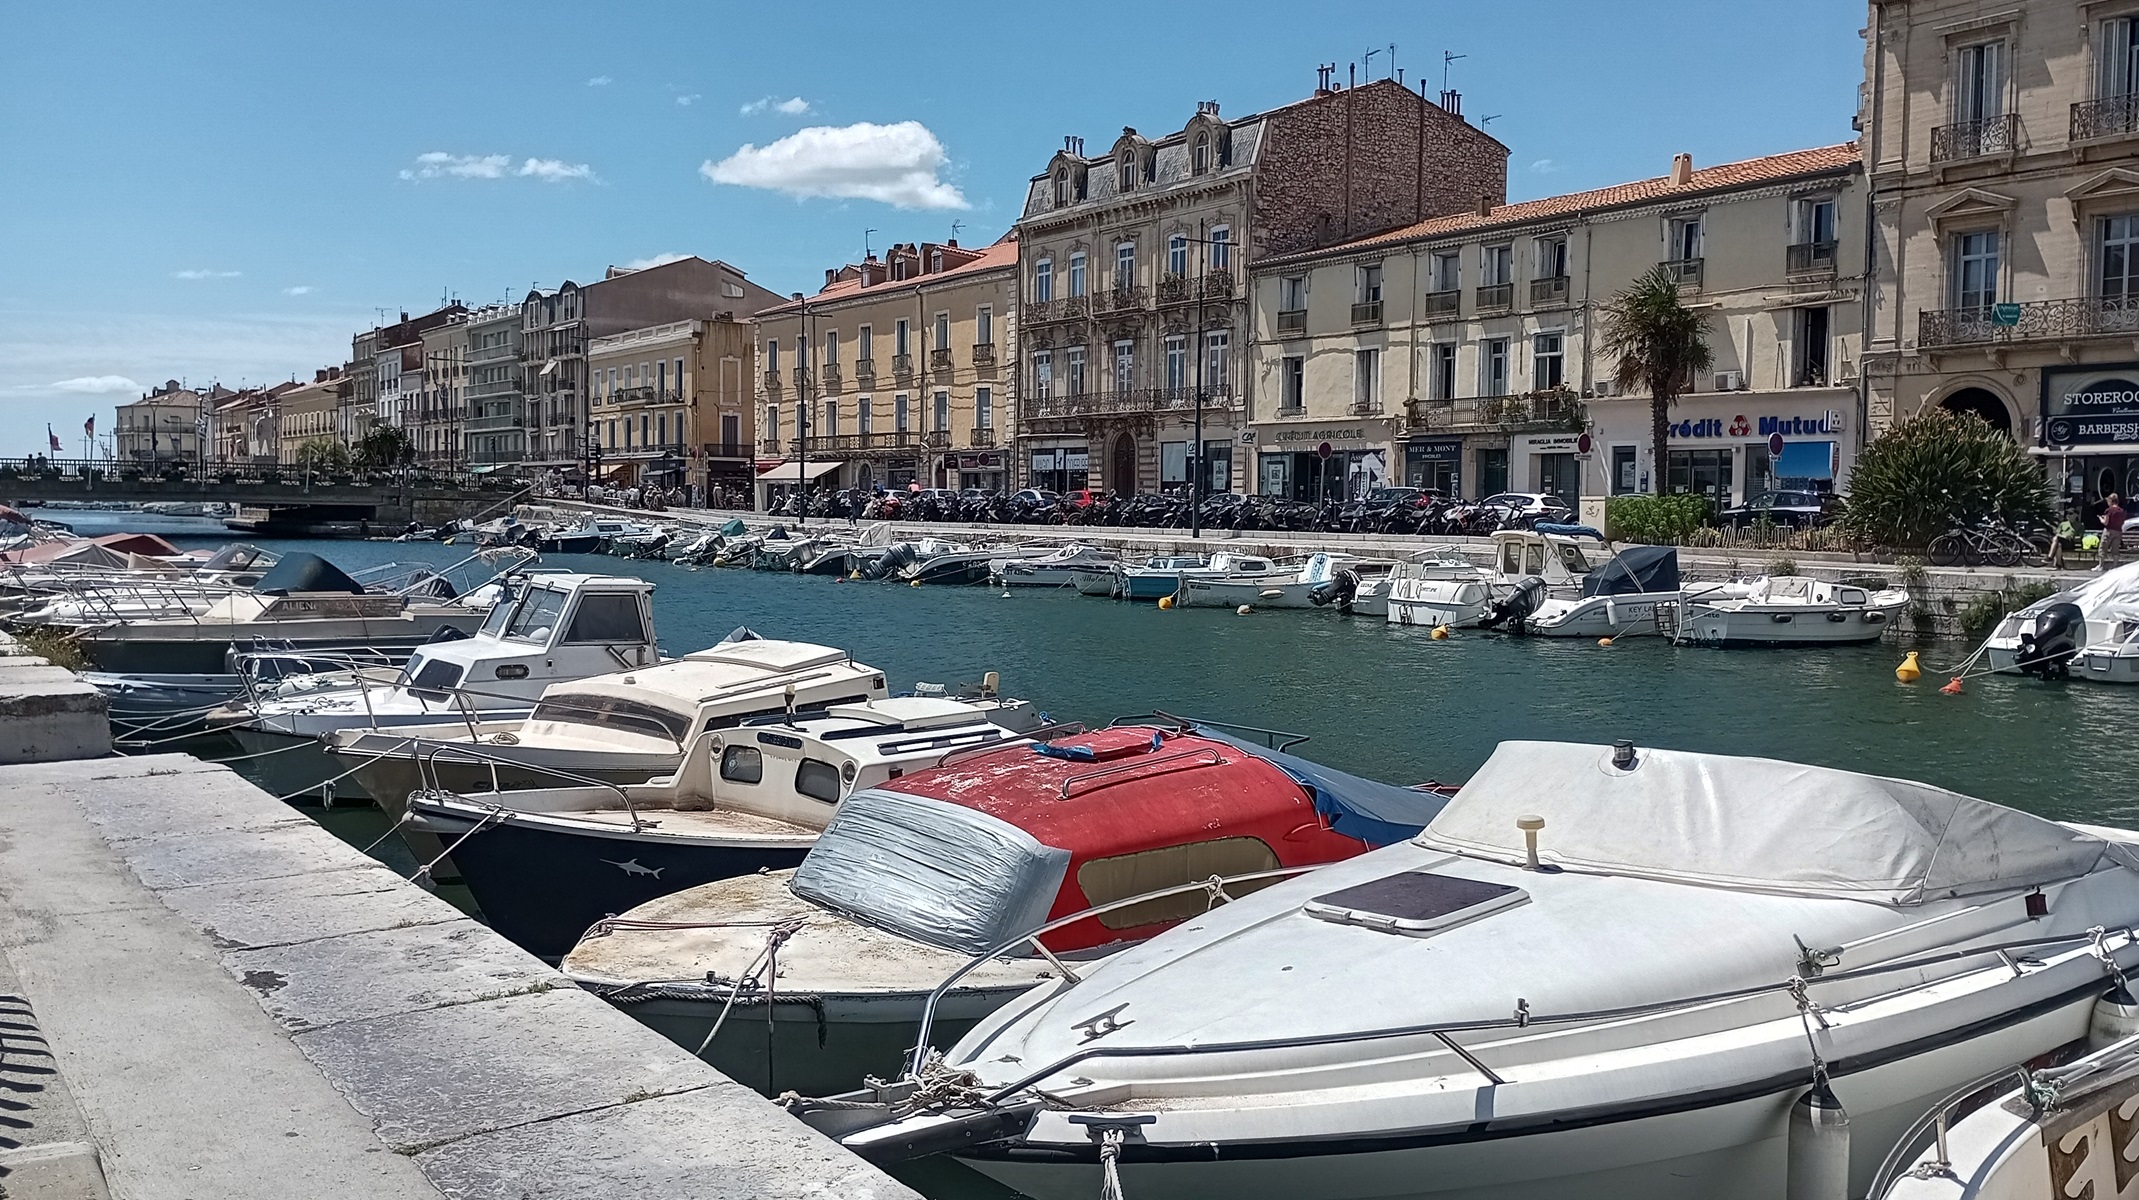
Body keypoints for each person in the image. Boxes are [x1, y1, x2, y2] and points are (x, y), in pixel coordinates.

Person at [2104, 492, 2129, 572]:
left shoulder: (2109, 510)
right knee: (2115, 549)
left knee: (2103, 548)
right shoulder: (2121, 511)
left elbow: (2106, 522)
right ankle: (2115, 565)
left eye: (2108, 501)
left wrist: (2101, 519)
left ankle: (2101, 565)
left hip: (2109, 531)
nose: (2108, 502)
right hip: (2118, 531)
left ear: (2111, 501)